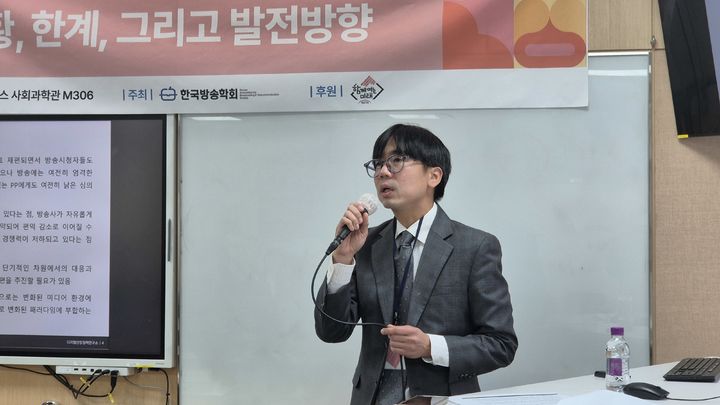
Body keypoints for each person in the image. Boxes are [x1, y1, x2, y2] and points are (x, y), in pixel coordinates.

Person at [314, 124, 517, 405]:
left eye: (397, 160)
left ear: (434, 176)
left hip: (440, 399)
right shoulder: (365, 244)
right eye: (378, 164)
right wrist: (343, 259)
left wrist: (430, 346)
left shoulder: (475, 247)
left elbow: (501, 345)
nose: (383, 172)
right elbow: (331, 332)